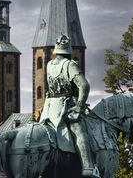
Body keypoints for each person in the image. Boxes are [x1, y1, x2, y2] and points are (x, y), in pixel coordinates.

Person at [39, 34, 100, 178]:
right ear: (68, 50)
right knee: (79, 131)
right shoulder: (70, 64)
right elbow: (84, 86)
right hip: (64, 108)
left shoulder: (49, 64)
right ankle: (87, 167)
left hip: (48, 109)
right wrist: (79, 106)